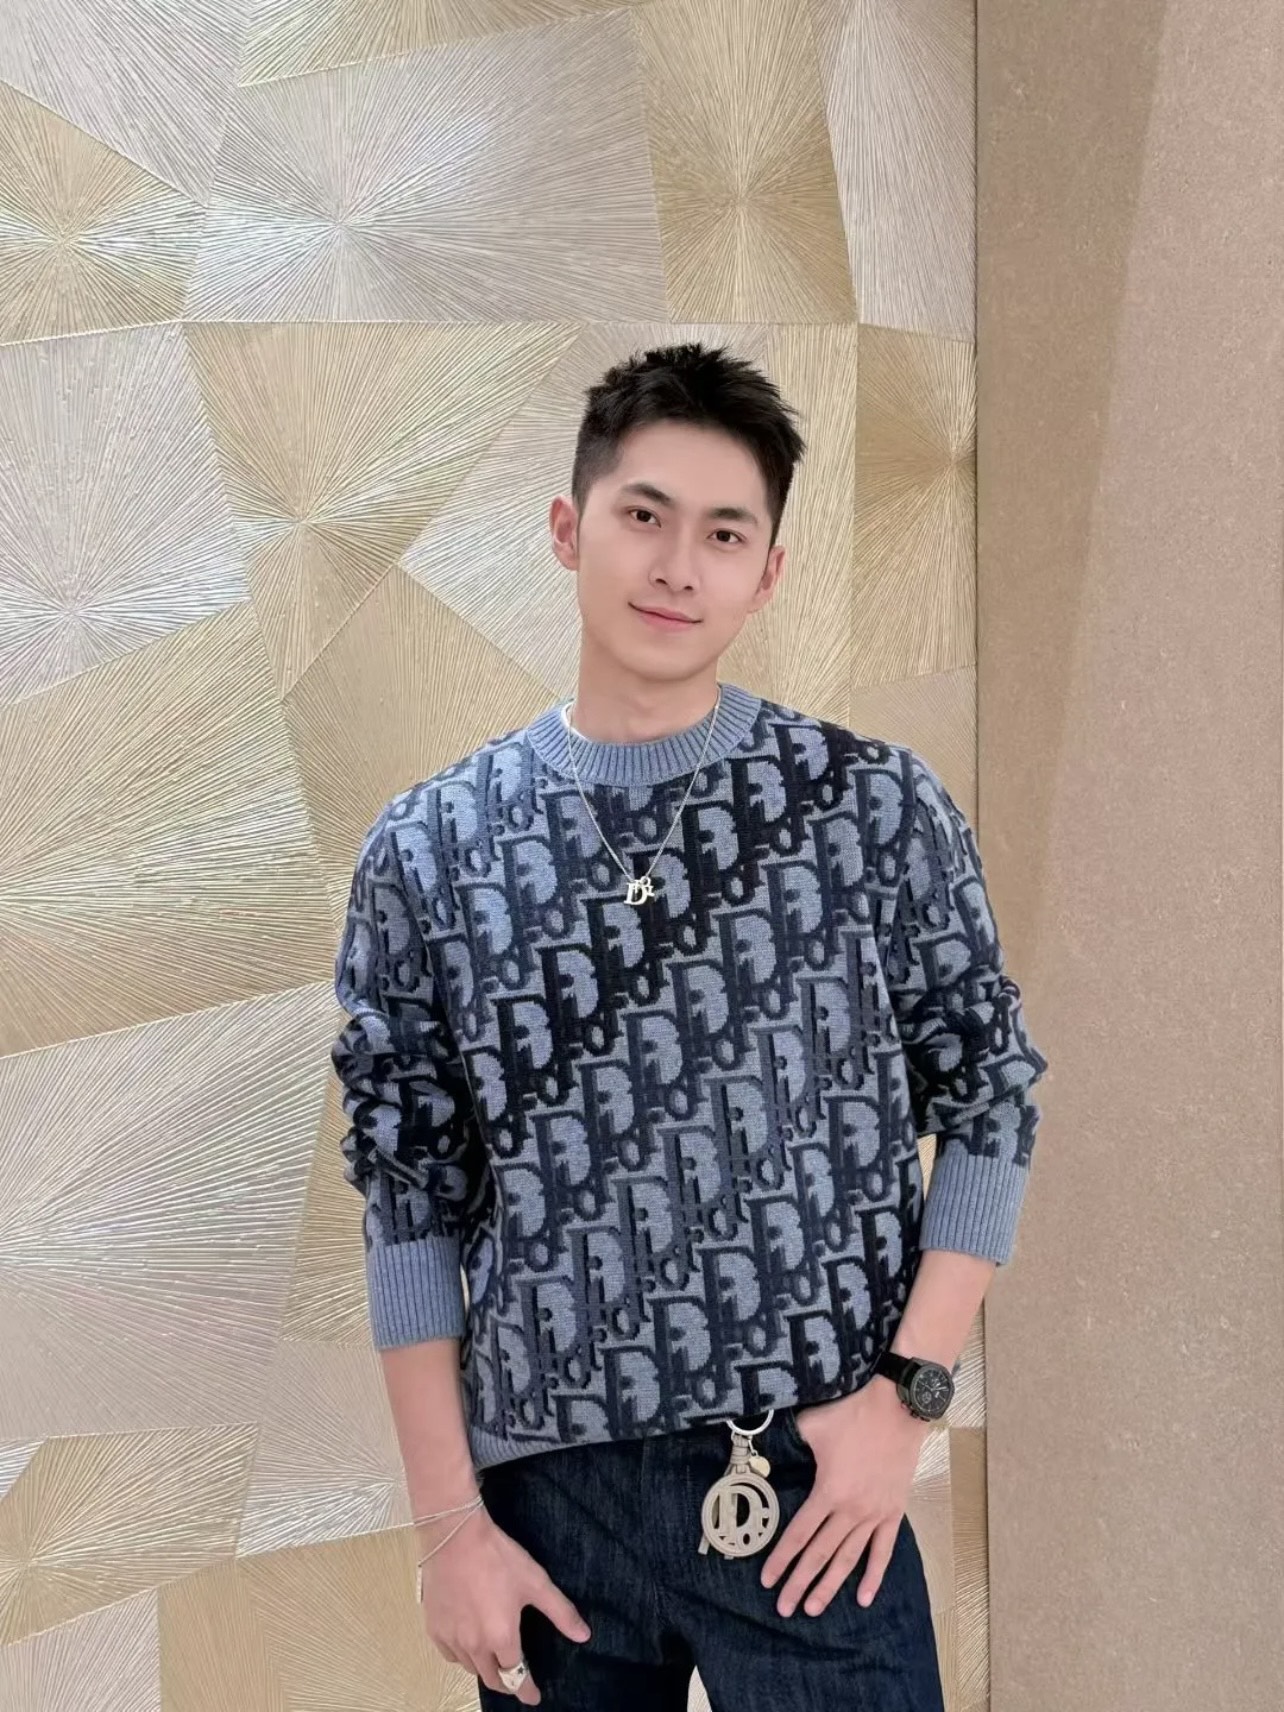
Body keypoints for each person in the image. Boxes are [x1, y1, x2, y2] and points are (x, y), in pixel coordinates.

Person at [330, 342, 1049, 1710]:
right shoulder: (430, 849)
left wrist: (909, 1396)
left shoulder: (872, 808)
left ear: (767, 572)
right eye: (644, 515)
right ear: (569, 528)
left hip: (813, 1486)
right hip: (548, 1511)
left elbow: (994, 1101)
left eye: (724, 534)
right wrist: (447, 1530)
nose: (677, 566)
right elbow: (408, 1202)